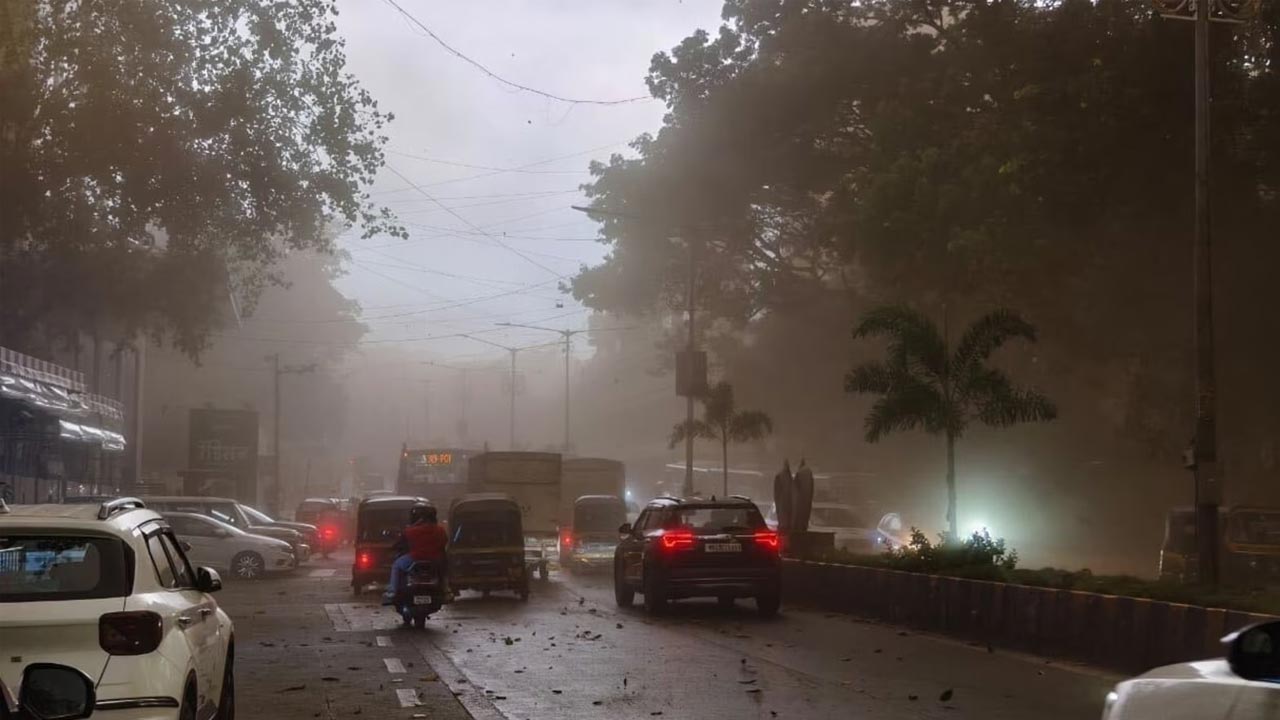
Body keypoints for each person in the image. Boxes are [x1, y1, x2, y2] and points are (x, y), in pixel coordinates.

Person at [382, 505, 448, 604]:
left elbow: (400, 544)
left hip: (414, 558)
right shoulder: (440, 531)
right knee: (443, 570)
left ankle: (392, 592)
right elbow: (444, 543)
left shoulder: (410, 531)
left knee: (396, 565)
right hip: (435, 560)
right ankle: (446, 590)